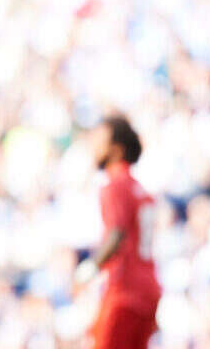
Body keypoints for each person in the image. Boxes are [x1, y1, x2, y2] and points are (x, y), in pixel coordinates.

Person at [75, 116, 161, 349]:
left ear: (116, 148)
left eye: (99, 140)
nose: (93, 146)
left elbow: (116, 234)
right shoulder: (139, 188)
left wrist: (88, 269)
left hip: (125, 291)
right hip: (148, 288)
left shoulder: (115, 185)